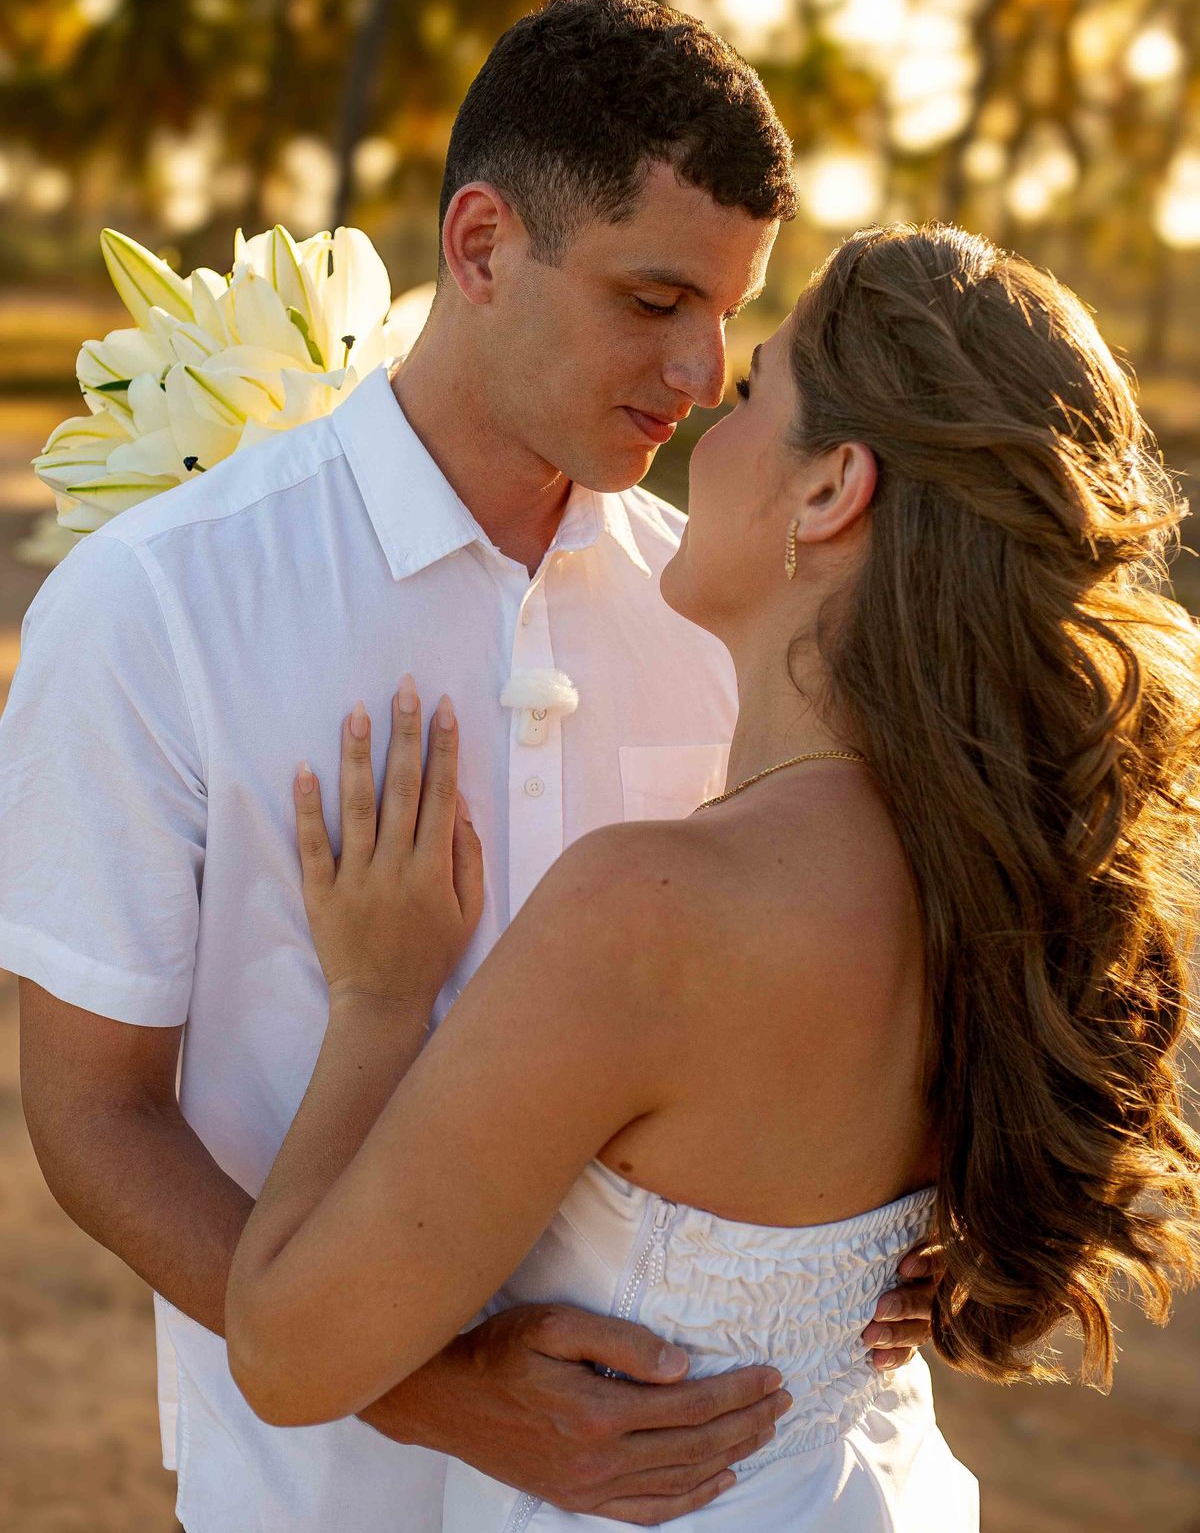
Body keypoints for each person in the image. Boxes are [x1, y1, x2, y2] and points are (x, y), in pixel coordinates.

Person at [0, 0, 936, 1533]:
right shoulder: (160, 600)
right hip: (310, 1488)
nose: (704, 370)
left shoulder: (726, 610)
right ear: (483, 245)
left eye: (730, 313)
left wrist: (889, 1229)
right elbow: (95, 1116)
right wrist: (444, 1396)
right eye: (653, 302)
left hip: (675, 1488)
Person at [224, 221, 1200, 1530]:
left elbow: (288, 1356)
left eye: (754, 394)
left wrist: (380, 996)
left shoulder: (654, 912)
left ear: (827, 489)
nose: (702, 409)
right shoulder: (996, 880)